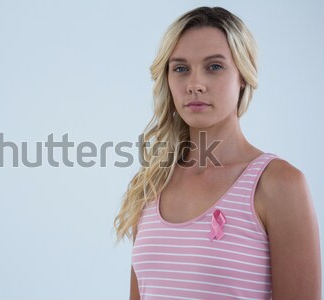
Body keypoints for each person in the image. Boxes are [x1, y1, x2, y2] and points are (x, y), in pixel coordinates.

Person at [114, 6, 321, 300]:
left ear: (244, 77)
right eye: (181, 68)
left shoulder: (279, 185)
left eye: (214, 67)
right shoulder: (150, 184)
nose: (195, 85)